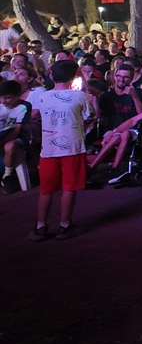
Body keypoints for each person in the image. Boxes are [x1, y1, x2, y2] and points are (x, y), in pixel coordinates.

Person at [28, 60, 95, 241]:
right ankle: (65, 226)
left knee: (46, 190)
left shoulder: (43, 97)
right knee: (69, 188)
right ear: (74, 77)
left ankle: (40, 226)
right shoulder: (79, 96)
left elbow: (34, 114)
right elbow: (92, 114)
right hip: (73, 148)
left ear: (51, 76)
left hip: (48, 150)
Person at [91, 65, 142, 182]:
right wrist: (94, 97)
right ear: (115, 76)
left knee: (124, 133)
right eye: (119, 76)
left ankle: (93, 167)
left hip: (132, 130)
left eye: (126, 77)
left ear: (131, 79)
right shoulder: (107, 96)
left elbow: (141, 115)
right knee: (118, 135)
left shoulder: (138, 93)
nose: (121, 79)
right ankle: (114, 169)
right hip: (111, 130)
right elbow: (97, 115)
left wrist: (134, 96)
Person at [0, 80, 32, 194]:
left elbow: (17, 130)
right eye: (1, 97)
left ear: (18, 95)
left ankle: (7, 176)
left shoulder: (24, 106)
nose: (3, 101)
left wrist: (2, 142)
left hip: (19, 137)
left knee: (10, 146)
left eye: (7, 98)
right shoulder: (1, 105)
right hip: (2, 134)